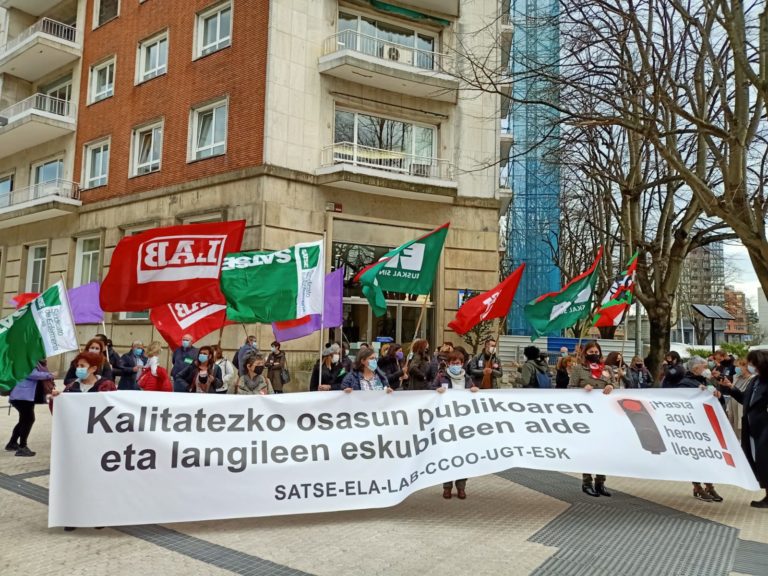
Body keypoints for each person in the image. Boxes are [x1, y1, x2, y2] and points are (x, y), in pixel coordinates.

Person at [721, 350, 768, 507]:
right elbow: (745, 400)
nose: (750, 366)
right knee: (759, 461)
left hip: (764, 428)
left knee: (764, 460)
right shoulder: (755, 381)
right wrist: (730, 388)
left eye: (753, 363)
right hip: (753, 428)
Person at [430, 351, 480, 499]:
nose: (455, 365)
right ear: (448, 363)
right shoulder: (441, 377)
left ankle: (461, 487)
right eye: (453, 363)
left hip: (462, 424)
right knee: (447, 455)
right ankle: (446, 487)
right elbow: (429, 389)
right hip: (446, 422)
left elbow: (474, 393)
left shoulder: (467, 378)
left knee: (462, 456)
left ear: (462, 364)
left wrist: (475, 391)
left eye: (458, 363)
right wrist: (435, 390)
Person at [673, 356, 724, 502]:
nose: (707, 369)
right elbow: (681, 403)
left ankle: (709, 485)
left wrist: (717, 395)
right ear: (695, 368)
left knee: (708, 457)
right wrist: (696, 393)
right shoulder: (685, 384)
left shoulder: (705, 381)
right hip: (692, 427)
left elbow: (716, 401)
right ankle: (697, 486)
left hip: (706, 425)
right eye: (704, 366)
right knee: (696, 457)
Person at [569, 340, 615, 497]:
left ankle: (600, 482)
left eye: (597, 352)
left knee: (604, 449)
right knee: (588, 448)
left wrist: (611, 387)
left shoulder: (607, 369)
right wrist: (581, 389)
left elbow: (616, 387)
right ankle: (586, 481)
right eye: (591, 352)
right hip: (586, 415)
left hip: (604, 415)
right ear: (585, 354)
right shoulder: (578, 369)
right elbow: (569, 389)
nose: (594, 355)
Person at [6, 361, 55, 457]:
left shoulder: (35, 362)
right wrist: (50, 374)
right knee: (29, 420)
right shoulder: (25, 360)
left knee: (23, 420)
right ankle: (22, 447)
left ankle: (12, 443)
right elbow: (32, 374)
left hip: (26, 396)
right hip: (21, 396)